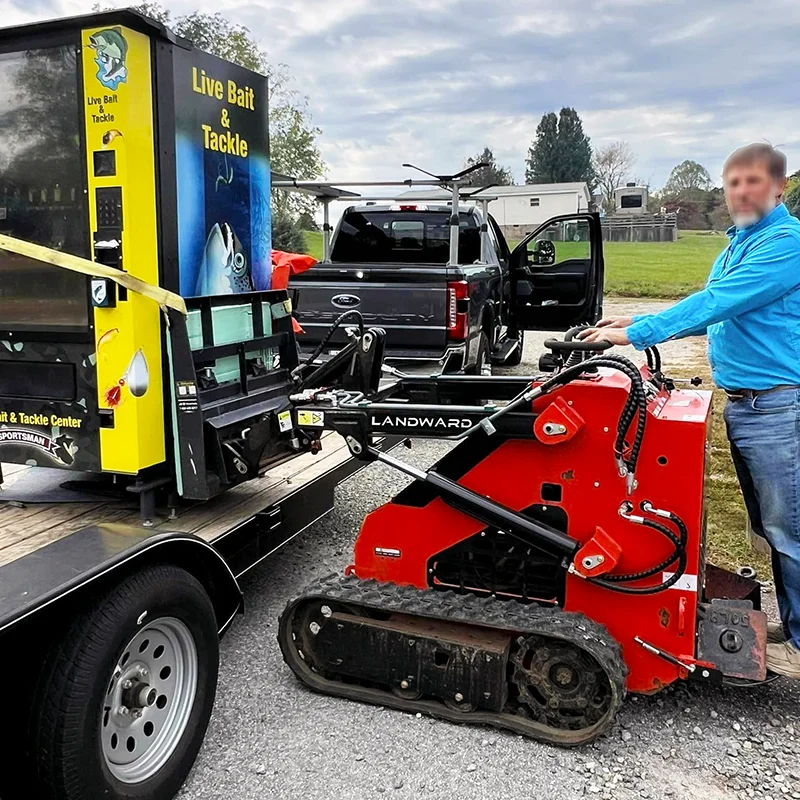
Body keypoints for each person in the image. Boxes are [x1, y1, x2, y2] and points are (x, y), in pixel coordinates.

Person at [581, 143, 800, 678]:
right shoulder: (739, 244)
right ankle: (792, 624)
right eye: (733, 183)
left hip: (777, 409)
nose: (741, 192)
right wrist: (621, 327)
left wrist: (641, 332)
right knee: (769, 526)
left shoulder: (785, 243)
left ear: (779, 187)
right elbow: (718, 314)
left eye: (752, 182)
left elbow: (718, 302)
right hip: (749, 406)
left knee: (789, 527)